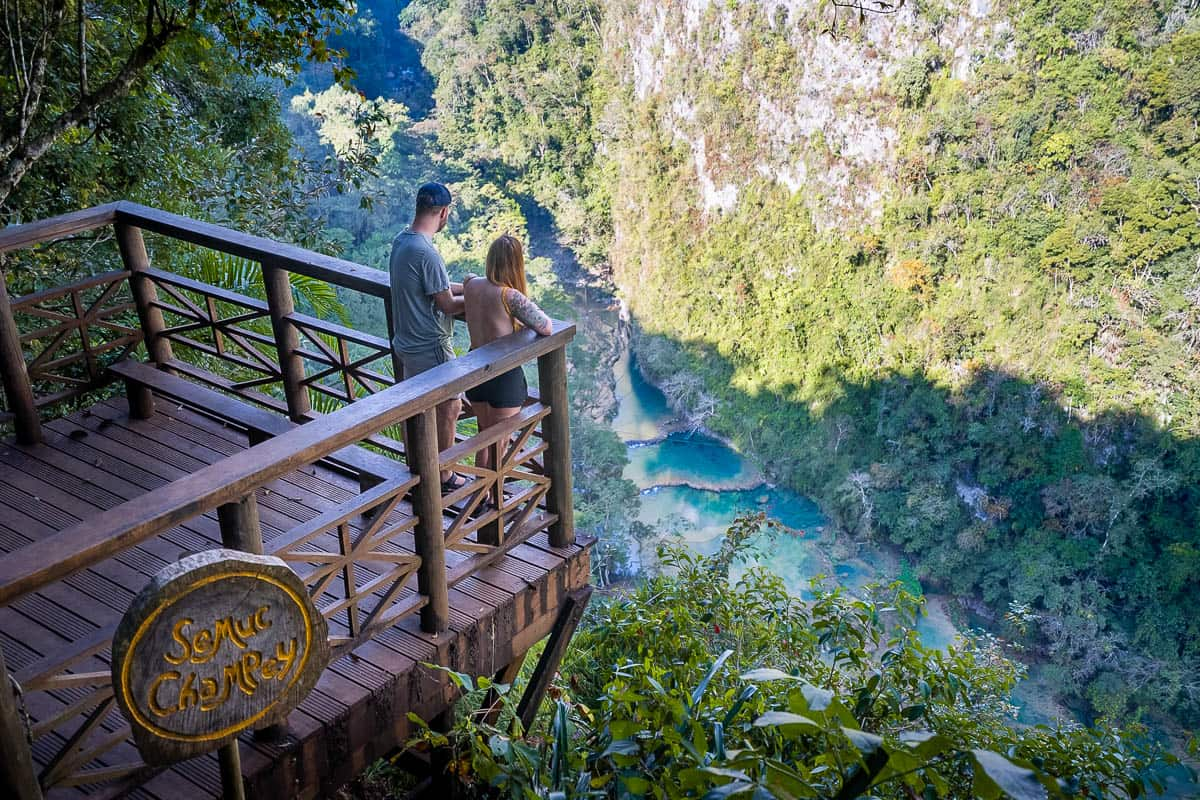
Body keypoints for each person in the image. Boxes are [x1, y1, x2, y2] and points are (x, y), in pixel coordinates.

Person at [389, 181, 465, 490]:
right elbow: (446, 303)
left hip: (406, 341)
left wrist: (474, 287)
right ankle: (443, 475)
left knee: (417, 407)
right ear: (444, 213)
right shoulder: (427, 253)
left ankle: (417, 468)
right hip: (429, 344)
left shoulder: (402, 242)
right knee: (450, 406)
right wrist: (490, 299)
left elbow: (440, 288)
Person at [462, 235, 554, 469]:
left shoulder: (471, 284)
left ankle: (478, 500)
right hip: (503, 378)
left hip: (475, 374)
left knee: (485, 438)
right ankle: (492, 500)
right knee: (500, 445)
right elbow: (546, 326)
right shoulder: (509, 296)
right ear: (516, 264)